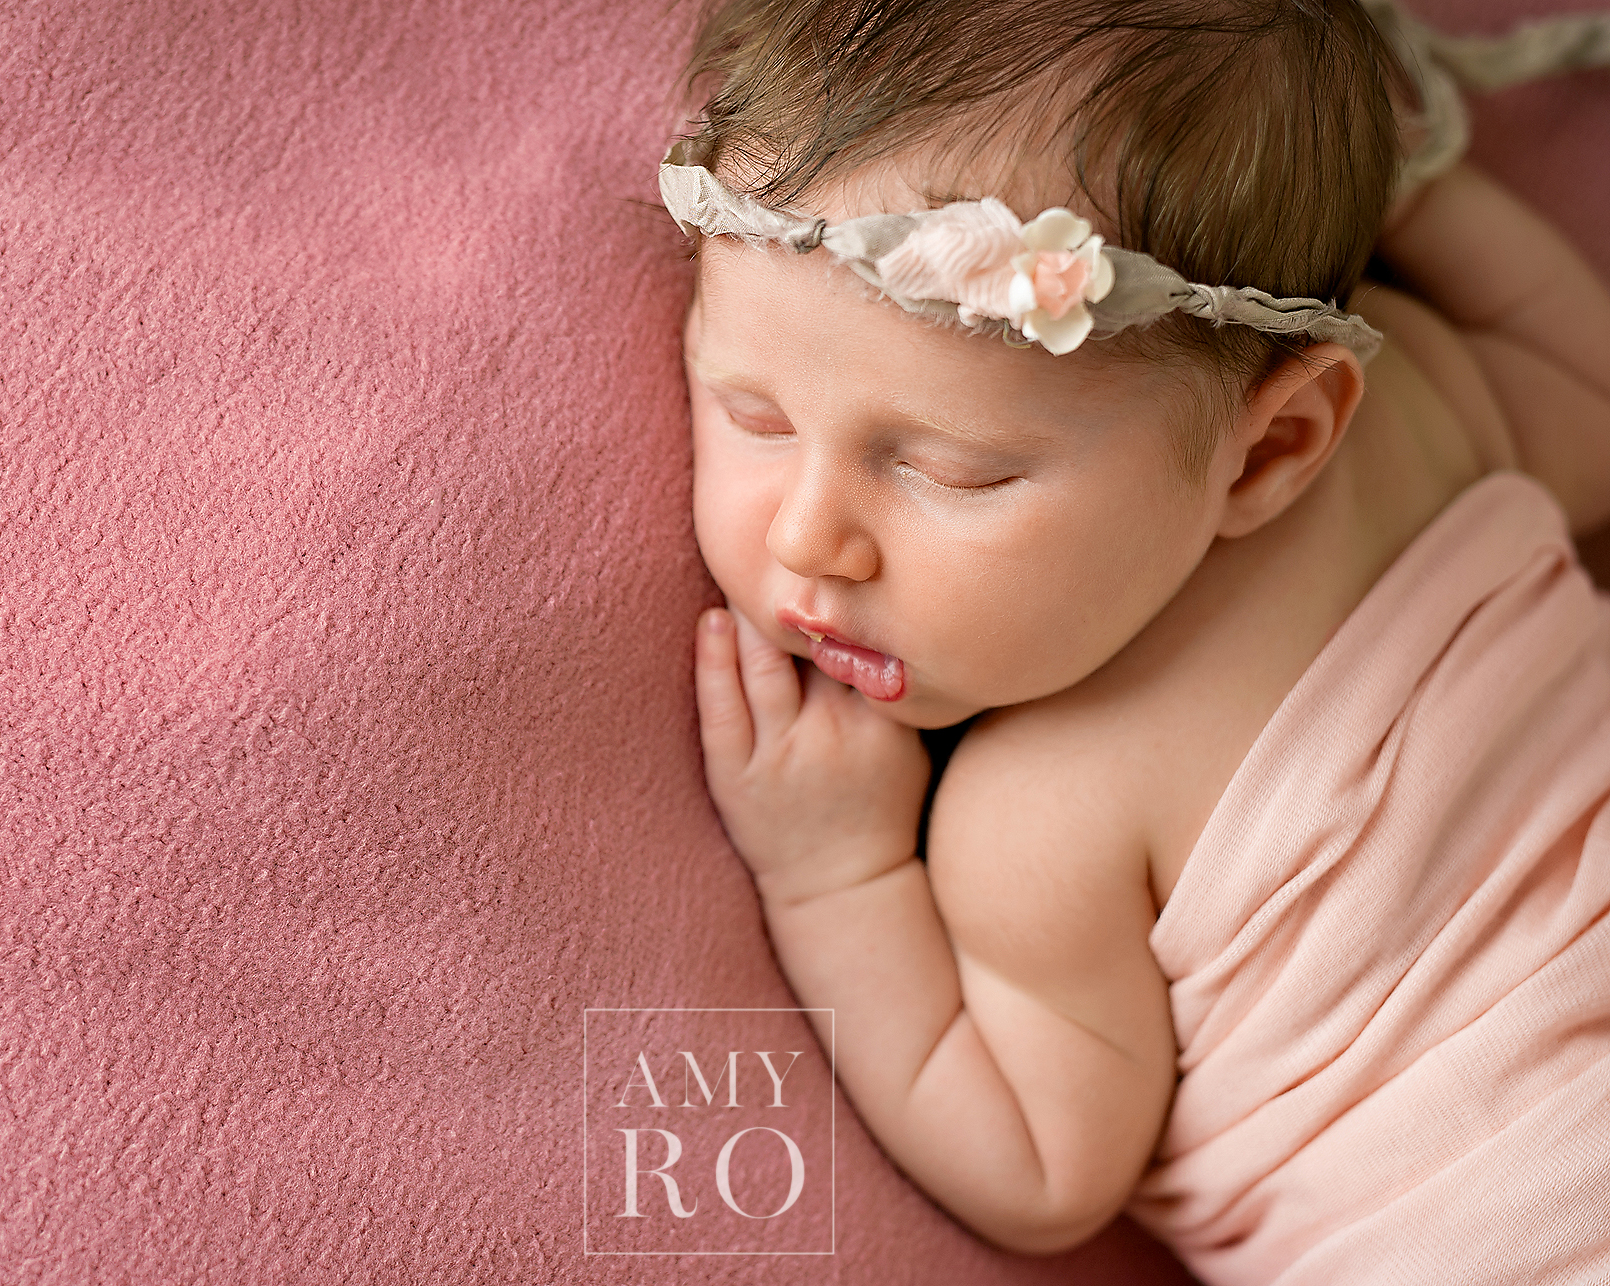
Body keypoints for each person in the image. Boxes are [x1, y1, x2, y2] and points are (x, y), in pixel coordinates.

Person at [667, 0, 1610, 1280]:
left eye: (953, 469)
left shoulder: (1037, 823)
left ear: (1271, 448)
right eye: (752, 412)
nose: (811, 538)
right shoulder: (1430, 409)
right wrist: (1410, 180)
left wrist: (835, 877)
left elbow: (1042, 1171)